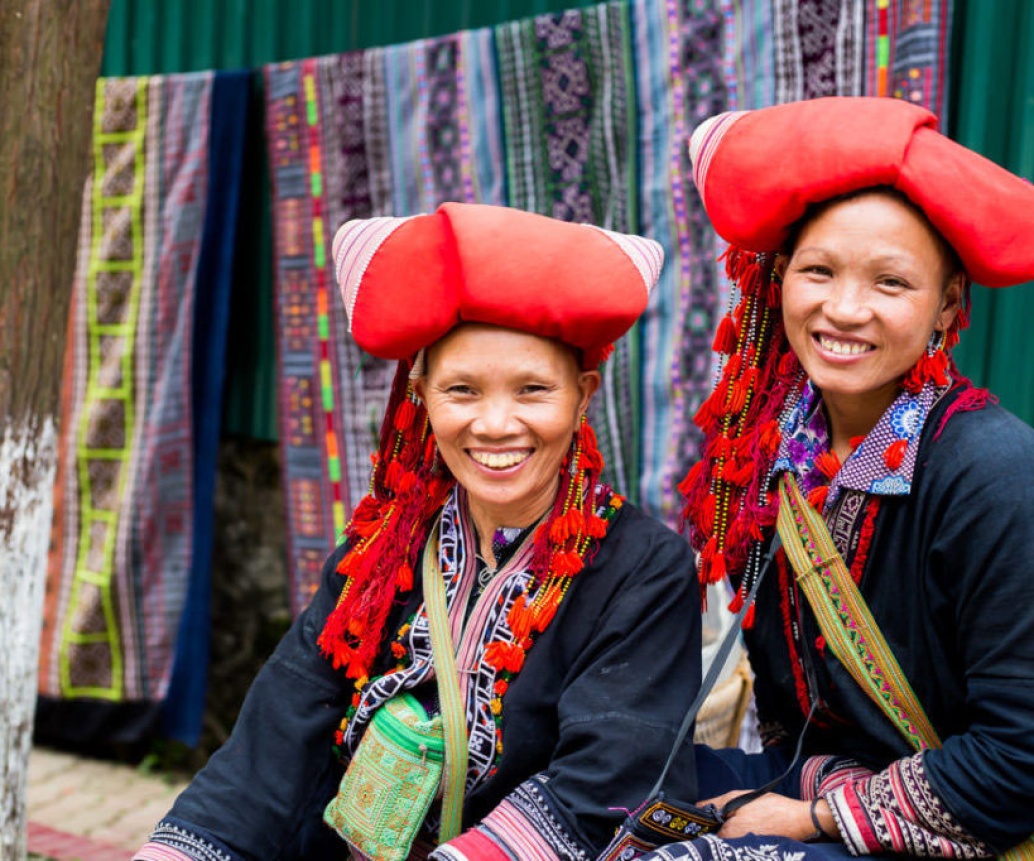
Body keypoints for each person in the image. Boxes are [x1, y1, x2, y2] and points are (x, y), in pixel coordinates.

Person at [132, 202, 700, 861]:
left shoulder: (645, 570)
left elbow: (611, 782)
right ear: (422, 397)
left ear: (582, 395)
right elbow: (279, 736)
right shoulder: (382, 556)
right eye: (462, 390)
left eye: (532, 390)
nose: (494, 424)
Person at [639, 97, 1034, 861]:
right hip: (827, 782)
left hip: (973, 821)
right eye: (818, 271)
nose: (844, 309)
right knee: (605, 794)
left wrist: (811, 818)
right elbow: (795, 717)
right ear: (780, 278)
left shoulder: (996, 474)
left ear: (949, 303)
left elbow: (1022, 759)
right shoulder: (762, 456)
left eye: (891, 283)